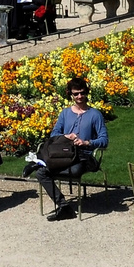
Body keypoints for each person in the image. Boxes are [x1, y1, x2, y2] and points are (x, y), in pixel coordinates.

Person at [34, 77, 107, 221]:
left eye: (82, 93)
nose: (79, 97)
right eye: (76, 94)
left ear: (87, 92)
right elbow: (54, 134)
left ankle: (37, 162)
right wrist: (66, 136)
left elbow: (104, 140)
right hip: (64, 154)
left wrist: (86, 142)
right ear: (71, 95)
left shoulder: (95, 115)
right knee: (41, 173)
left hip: (84, 156)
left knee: (74, 171)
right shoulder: (65, 113)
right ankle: (64, 206)